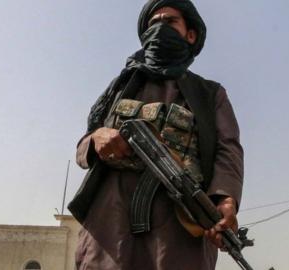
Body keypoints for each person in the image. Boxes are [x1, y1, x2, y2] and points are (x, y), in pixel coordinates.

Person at [67, 0, 243, 269]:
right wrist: (97, 138)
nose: (160, 28)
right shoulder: (121, 89)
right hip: (109, 228)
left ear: (190, 34)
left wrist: (226, 198)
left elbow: (227, 148)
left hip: (178, 229)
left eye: (170, 21)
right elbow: (83, 148)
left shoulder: (209, 94)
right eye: (154, 23)